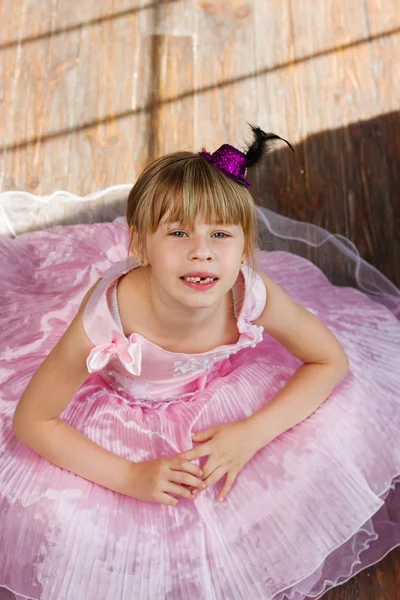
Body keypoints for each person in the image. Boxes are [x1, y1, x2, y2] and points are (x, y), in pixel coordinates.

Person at [0, 124, 399, 600]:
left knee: (340, 425)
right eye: (178, 232)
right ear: (141, 245)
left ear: (246, 245)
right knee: (68, 520)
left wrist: (252, 433)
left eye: (221, 234)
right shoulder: (110, 316)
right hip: (123, 409)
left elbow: (329, 361)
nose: (201, 251)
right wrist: (131, 476)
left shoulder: (249, 293)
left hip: (221, 394)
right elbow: (33, 420)